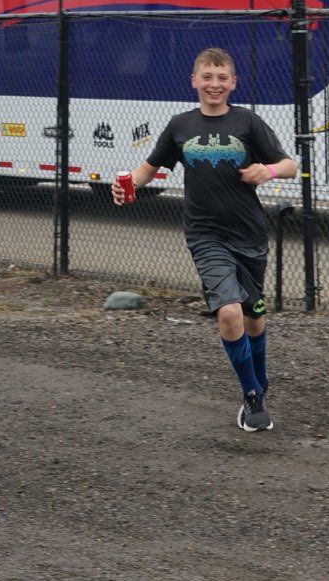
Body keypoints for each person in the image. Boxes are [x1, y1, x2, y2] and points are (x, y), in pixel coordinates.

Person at [113, 46, 297, 432]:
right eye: (207, 77)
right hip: (205, 234)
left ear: (233, 82)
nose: (215, 84)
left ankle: (259, 378)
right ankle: (252, 396)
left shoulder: (248, 122)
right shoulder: (180, 126)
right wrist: (127, 182)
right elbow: (149, 168)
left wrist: (267, 171)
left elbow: (290, 165)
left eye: (222, 77)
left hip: (249, 234)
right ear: (194, 80)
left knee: (254, 316)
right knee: (229, 312)